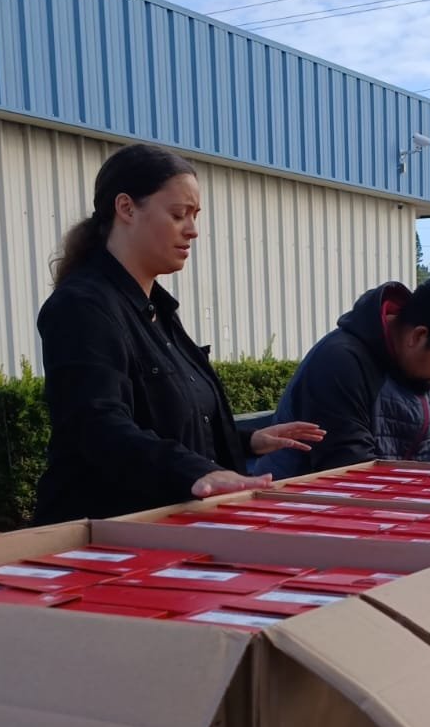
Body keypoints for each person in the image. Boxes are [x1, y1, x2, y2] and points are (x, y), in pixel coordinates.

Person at [33, 144, 325, 523]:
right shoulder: (82, 307)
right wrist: (196, 471)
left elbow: (171, 423)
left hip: (165, 528)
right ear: (126, 208)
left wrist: (245, 439)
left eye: (194, 216)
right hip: (102, 533)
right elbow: (96, 425)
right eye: (178, 215)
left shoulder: (159, 311)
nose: (193, 230)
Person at [256, 277, 430, 477]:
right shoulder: (339, 364)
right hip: (305, 515)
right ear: (419, 336)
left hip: (397, 514)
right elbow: (351, 470)